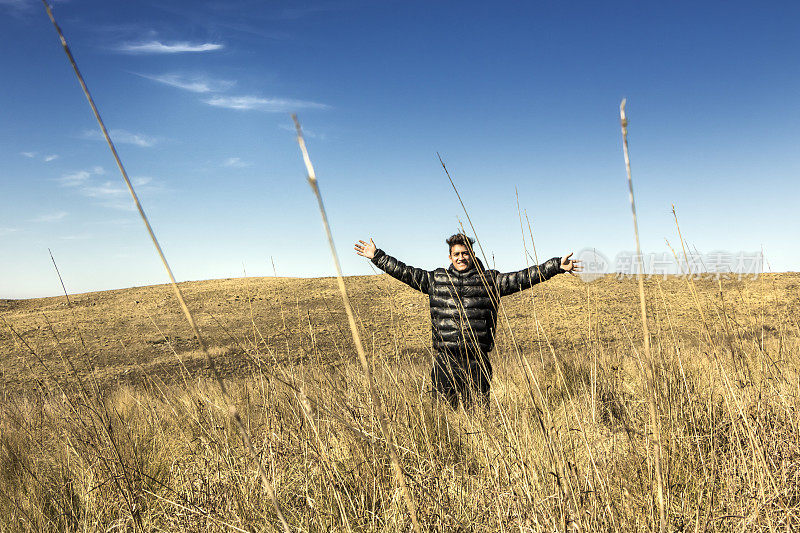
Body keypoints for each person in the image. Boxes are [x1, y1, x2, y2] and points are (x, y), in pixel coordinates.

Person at [355, 233, 581, 409]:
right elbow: (404, 272)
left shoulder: (490, 280)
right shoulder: (436, 279)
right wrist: (378, 256)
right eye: (456, 254)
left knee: (479, 416)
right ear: (450, 257)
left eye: (465, 253)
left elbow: (521, 278)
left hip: (477, 362)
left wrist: (554, 267)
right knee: (444, 416)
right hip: (445, 361)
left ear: (472, 254)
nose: (461, 257)